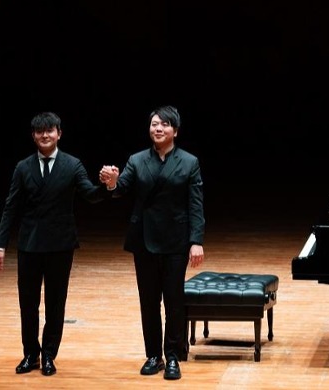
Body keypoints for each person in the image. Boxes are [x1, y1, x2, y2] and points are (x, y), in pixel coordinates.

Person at [0, 112, 113, 376]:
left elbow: (91, 195)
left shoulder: (72, 165)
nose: (44, 135)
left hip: (60, 245)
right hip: (30, 245)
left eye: (50, 131)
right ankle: (30, 354)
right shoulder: (23, 167)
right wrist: (1, 245)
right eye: (39, 132)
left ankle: (49, 355)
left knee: (56, 303)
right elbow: (10, 207)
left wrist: (108, 186)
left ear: (59, 133)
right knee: (28, 303)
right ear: (33, 136)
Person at [99, 105, 205, 381]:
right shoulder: (137, 160)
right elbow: (121, 189)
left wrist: (196, 241)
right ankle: (153, 356)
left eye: (164, 125)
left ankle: (172, 356)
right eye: (154, 124)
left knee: (173, 300)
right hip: (144, 240)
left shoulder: (189, 162)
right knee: (148, 301)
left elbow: (195, 205)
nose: (158, 128)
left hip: (176, 241)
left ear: (175, 131)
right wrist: (112, 182)